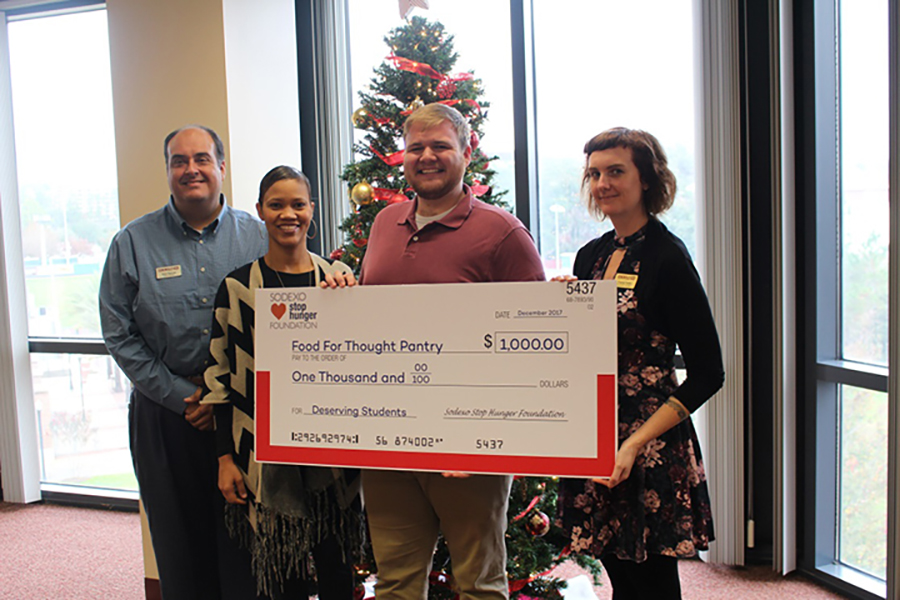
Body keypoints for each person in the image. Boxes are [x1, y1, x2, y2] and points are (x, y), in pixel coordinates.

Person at [358, 103, 546, 600]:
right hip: (387, 442)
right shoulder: (382, 224)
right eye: (416, 147)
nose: (427, 156)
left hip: (469, 449)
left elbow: (534, 345)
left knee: (480, 583)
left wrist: (483, 434)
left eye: (440, 145)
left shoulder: (503, 233)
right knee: (395, 583)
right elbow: (365, 329)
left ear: (467, 152)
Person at [99, 125, 268, 600]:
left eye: (200, 158)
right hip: (164, 414)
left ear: (220, 166)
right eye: (178, 161)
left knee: (245, 548)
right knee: (177, 546)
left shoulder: (258, 238)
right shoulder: (132, 242)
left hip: (241, 414)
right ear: (168, 170)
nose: (190, 169)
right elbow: (118, 333)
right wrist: (184, 396)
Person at [557, 128, 724, 600]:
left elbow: (710, 372)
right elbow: (582, 347)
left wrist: (633, 444)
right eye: (594, 173)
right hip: (594, 435)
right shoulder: (590, 256)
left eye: (616, 171)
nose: (602, 183)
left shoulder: (668, 258)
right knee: (618, 576)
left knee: (651, 584)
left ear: (647, 178)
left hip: (647, 444)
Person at [202, 165, 365, 599]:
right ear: (259, 211)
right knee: (283, 575)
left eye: (297, 204)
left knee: (336, 570)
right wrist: (224, 459)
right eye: (276, 205)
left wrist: (351, 292)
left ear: (312, 209)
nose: (287, 214)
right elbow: (220, 379)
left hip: (332, 455)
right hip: (263, 454)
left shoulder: (337, 279)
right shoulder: (237, 289)